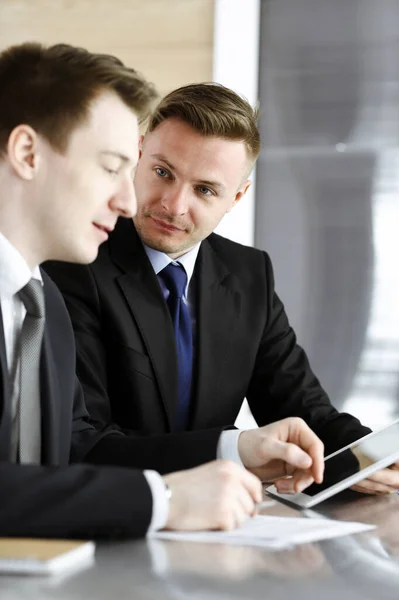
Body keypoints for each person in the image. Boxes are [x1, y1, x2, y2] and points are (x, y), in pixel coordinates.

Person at [0, 42, 328, 540]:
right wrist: (167, 498)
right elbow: (78, 453)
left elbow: (46, 468)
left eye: (205, 189)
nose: (134, 200)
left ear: (236, 196)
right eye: (116, 166)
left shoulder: (41, 309)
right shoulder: (66, 284)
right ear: (27, 153)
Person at [45, 82, 399, 495]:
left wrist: (372, 454)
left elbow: (305, 409)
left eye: (205, 190)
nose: (173, 205)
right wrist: (233, 449)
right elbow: (85, 447)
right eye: (163, 173)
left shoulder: (249, 274)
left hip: (221, 530)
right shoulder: (75, 261)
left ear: (237, 196)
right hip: (111, 519)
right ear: (138, 155)